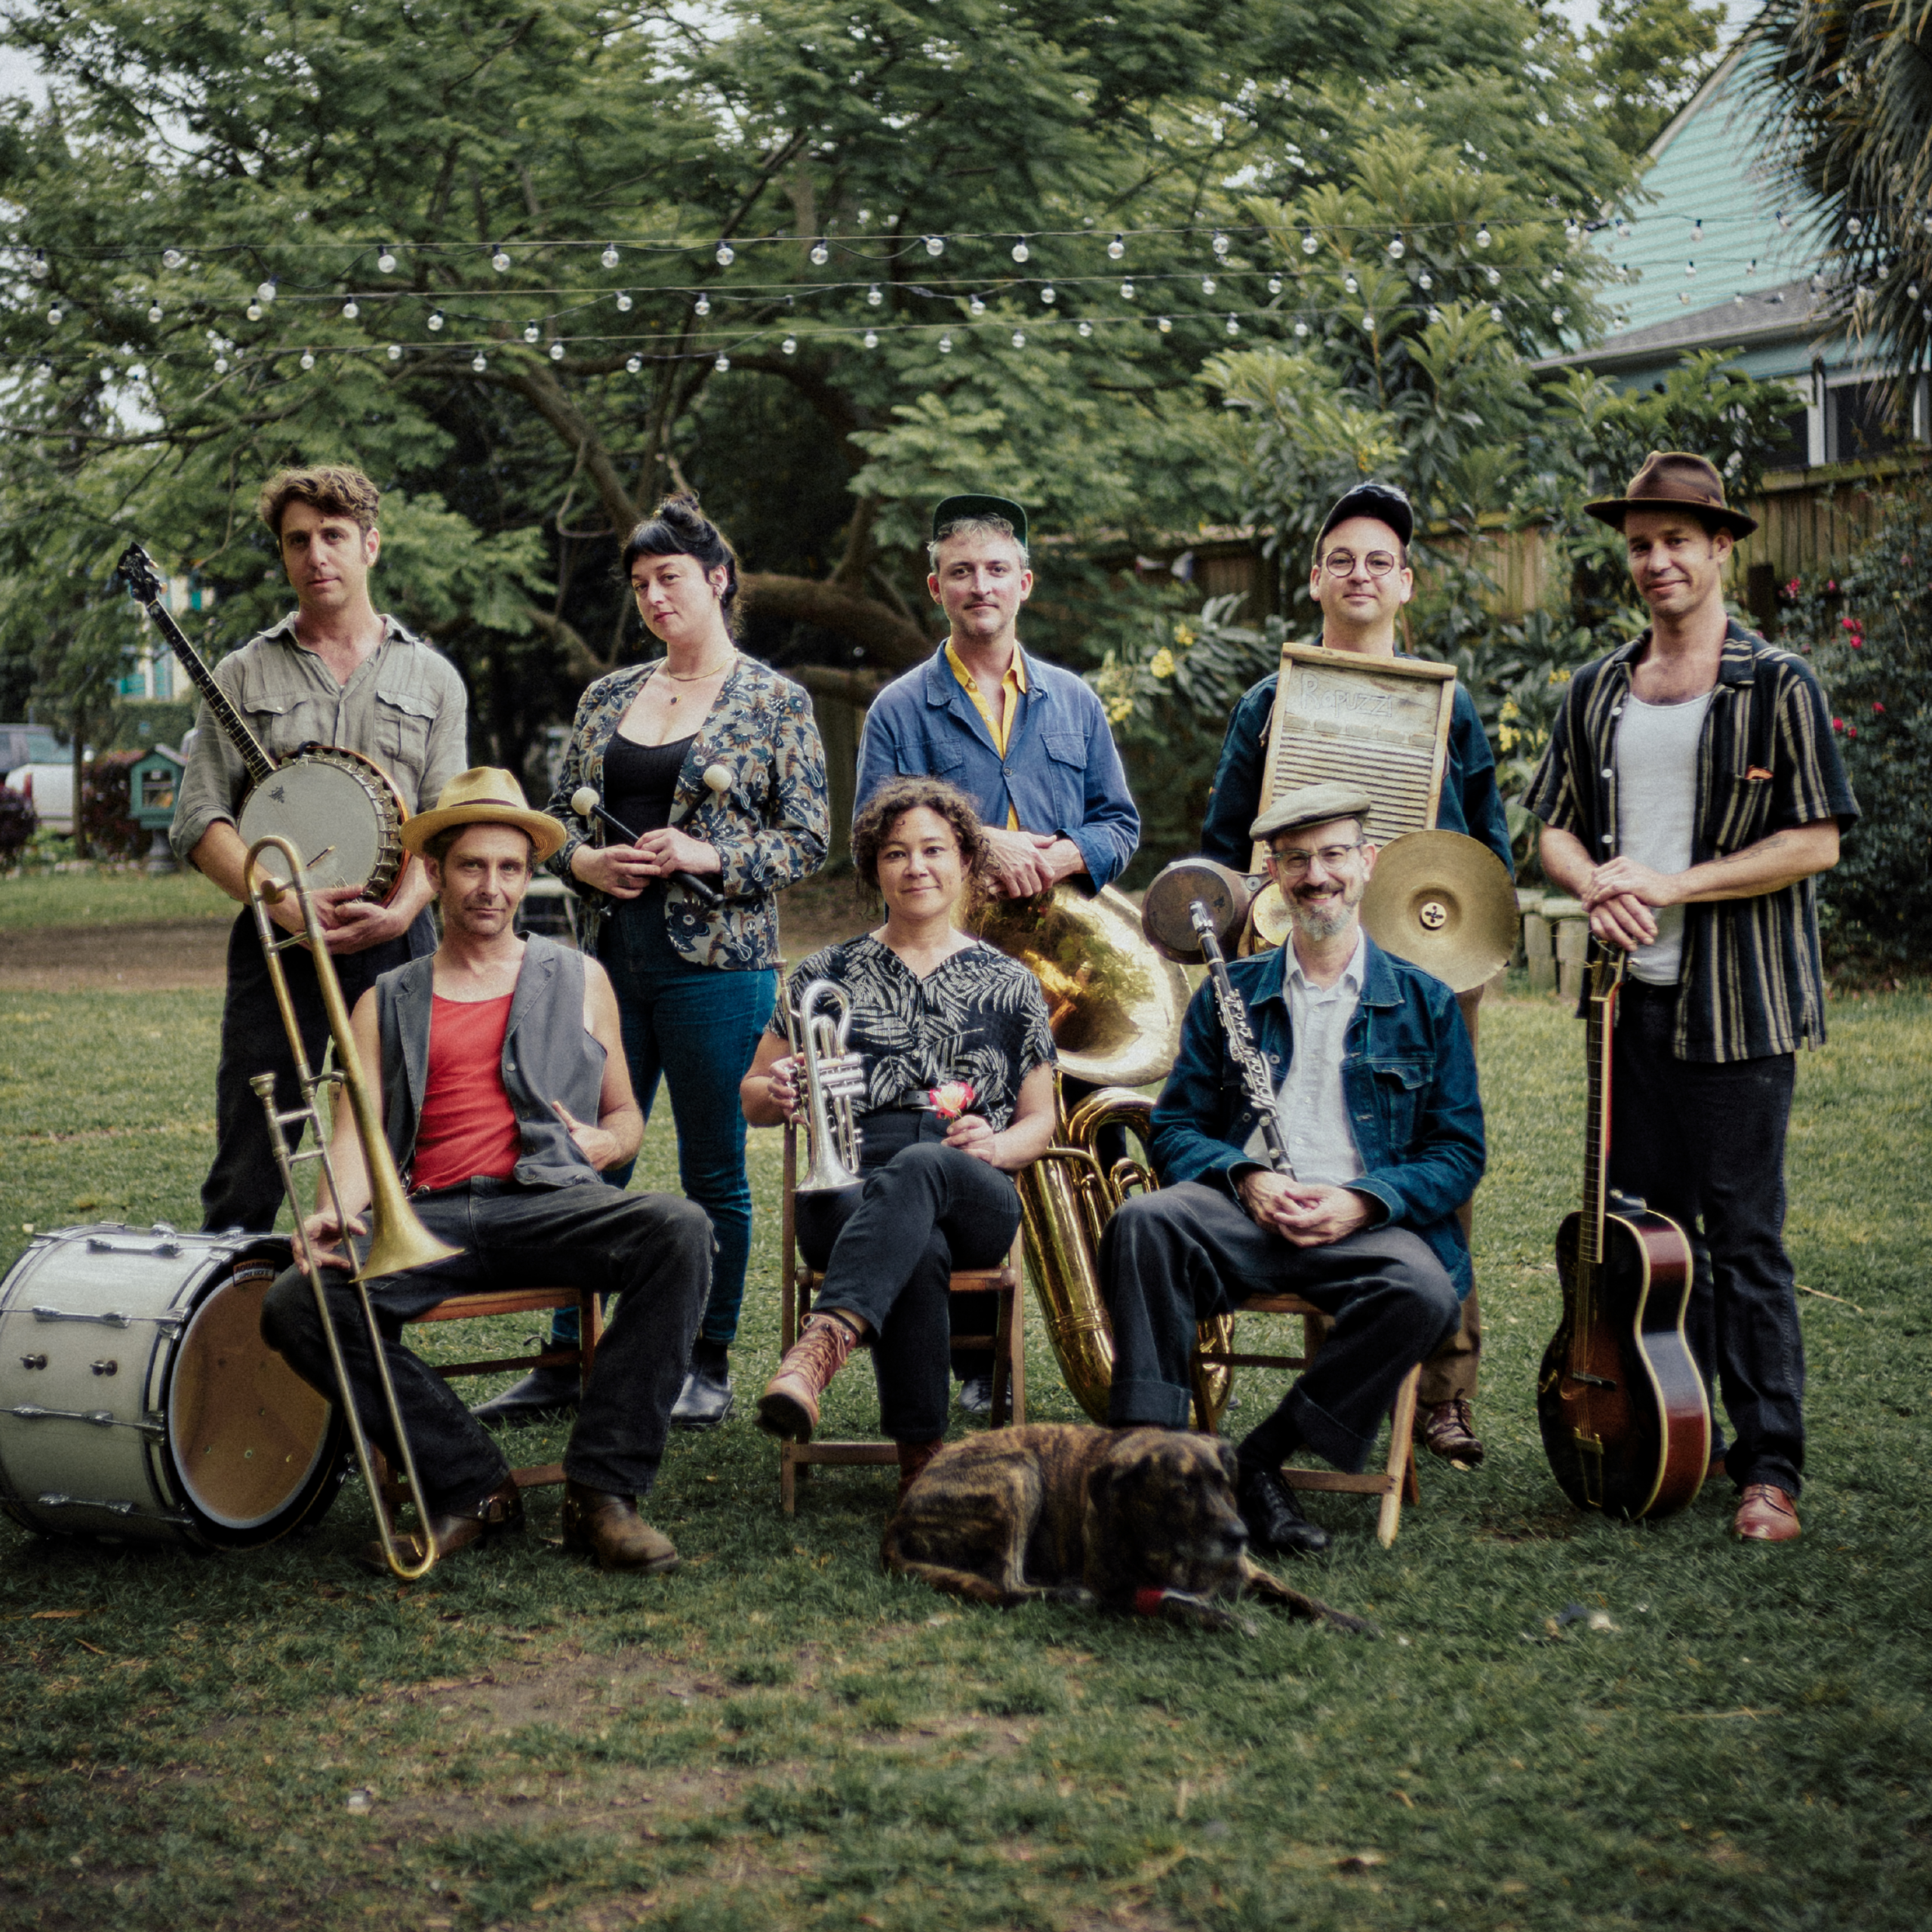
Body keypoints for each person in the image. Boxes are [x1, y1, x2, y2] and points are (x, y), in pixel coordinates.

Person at [260, 768, 711, 1572]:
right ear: (433, 874)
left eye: (508, 868)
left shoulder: (580, 977)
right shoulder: (385, 999)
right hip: (427, 1216)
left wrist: (609, 1146)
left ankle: (600, 1492)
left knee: (680, 1229)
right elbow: (356, 1139)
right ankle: (470, 1482)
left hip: (546, 1203)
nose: (491, 887)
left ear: (527, 874)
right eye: (472, 867)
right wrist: (331, 1212)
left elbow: (624, 1117)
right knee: (299, 1301)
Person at [1526, 451, 1857, 1546]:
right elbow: (1553, 828)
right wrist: (1596, 884)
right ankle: (1687, 1428)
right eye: (1639, 544)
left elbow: (1814, 840)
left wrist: (1673, 883)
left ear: (1722, 549)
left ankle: (1770, 1469)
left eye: (1677, 541)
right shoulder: (1598, 689)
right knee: (1650, 1241)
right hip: (1626, 1006)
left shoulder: (1780, 684)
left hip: (1741, 1007)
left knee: (1745, 1240)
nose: (1656, 561)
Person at [472, 495, 829, 1434]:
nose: (653, 597)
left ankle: (700, 1360)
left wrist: (704, 855)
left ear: (717, 580)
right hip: (603, 964)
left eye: (669, 577)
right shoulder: (605, 697)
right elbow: (554, 823)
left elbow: (808, 839)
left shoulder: (774, 701)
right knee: (580, 1154)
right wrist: (582, 862)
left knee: (716, 1171)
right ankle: (564, 1351)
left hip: (718, 967)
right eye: (639, 584)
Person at [1198, 480, 1511, 1470]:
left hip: (1424, 974)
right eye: (1344, 558)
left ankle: (1445, 1391)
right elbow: (1223, 851)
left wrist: (1463, 952)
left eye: (1381, 560)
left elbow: (1489, 854)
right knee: (1313, 1147)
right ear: (1314, 578)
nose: (1362, 574)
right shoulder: (1270, 704)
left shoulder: (1447, 707)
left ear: (1405, 582)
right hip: (1304, 969)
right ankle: (1350, 1376)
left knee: (1428, 1168)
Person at [1100, 782, 1483, 1558]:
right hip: (1247, 1217)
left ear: (1367, 864)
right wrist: (1245, 1178)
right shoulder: (1230, 993)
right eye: (1297, 859)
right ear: (1272, 873)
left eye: (1334, 854)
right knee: (1143, 1221)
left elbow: (1457, 1152)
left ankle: (1258, 1460)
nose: (1317, 875)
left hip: (1360, 1227)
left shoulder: (1425, 1002)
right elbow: (1174, 1127)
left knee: (1426, 1291)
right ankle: (1157, 1467)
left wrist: (1363, 1201)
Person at [852, 493, 1139, 1411]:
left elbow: (1119, 825)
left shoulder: (1076, 700)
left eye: (996, 570)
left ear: (1025, 582)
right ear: (936, 587)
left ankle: (1112, 1342)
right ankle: (976, 1360)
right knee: (956, 1148)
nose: (981, 586)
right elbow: (874, 839)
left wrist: (1060, 852)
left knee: (1079, 1156)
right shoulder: (900, 707)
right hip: (947, 986)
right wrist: (984, 845)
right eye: (961, 571)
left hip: (1061, 981)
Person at [170, 464, 468, 1235]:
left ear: (370, 545)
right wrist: (278, 896)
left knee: (392, 1141)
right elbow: (200, 818)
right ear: (283, 556)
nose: (316, 554)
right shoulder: (240, 672)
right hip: (281, 941)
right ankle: (230, 1335)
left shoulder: (433, 679)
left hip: (396, 938)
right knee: (253, 1146)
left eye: (333, 535)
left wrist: (403, 910)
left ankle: (375, 1336)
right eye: (297, 540)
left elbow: (449, 821)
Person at [742, 777, 1058, 1500]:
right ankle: (923, 1466)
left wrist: (1000, 1148)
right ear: (874, 869)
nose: (916, 867)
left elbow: (1041, 1118)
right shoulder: (826, 972)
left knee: (923, 1168)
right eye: (896, 853)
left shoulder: (1011, 982)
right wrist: (779, 1090)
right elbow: (753, 1099)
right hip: (847, 1183)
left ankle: (821, 1345)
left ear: (966, 863)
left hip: (971, 1177)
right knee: (917, 1240)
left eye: (934, 850)